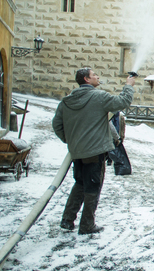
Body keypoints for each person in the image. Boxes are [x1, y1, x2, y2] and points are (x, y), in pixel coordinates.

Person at [52, 68, 135, 234]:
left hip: (77, 152)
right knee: (93, 187)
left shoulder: (67, 101)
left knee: (80, 183)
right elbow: (123, 102)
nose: (97, 76)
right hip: (95, 152)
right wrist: (129, 85)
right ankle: (87, 224)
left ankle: (68, 219)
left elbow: (57, 125)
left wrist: (71, 141)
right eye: (94, 75)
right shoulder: (99, 97)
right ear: (86, 79)